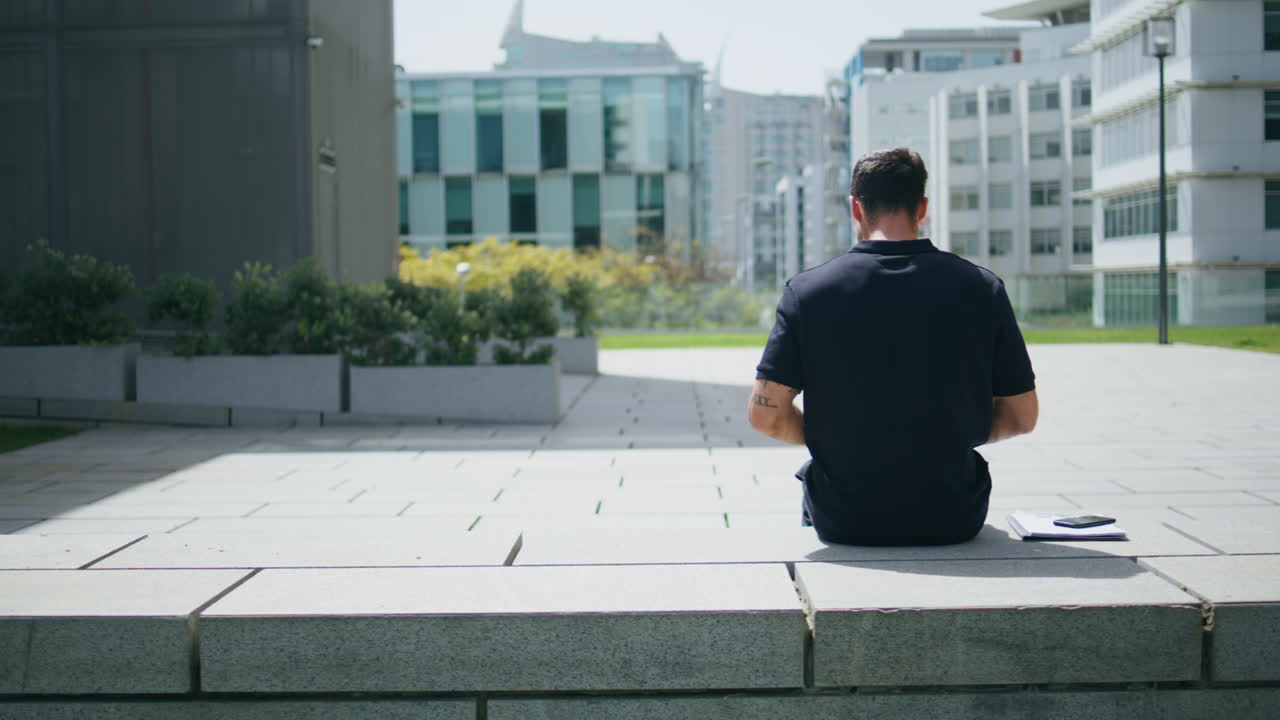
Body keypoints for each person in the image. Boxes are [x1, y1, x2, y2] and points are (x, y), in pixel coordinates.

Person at [748, 147, 1038, 546]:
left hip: (844, 518)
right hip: (952, 516)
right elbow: (1022, 416)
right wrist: (945, 436)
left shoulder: (809, 292)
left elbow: (766, 416)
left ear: (856, 208)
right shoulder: (981, 288)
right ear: (922, 207)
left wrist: (837, 441)